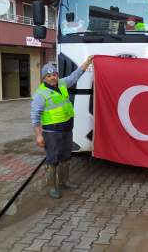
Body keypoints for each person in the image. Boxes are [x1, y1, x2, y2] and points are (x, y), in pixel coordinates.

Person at [30, 56, 94, 199]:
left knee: (66, 157)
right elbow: (35, 116)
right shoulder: (40, 94)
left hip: (66, 130)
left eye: (54, 74)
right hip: (51, 132)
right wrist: (39, 135)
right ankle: (52, 187)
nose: (53, 77)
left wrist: (87, 62)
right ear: (44, 78)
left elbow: (75, 76)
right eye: (49, 76)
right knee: (52, 160)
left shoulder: (62, 83)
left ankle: (64, 182)